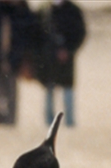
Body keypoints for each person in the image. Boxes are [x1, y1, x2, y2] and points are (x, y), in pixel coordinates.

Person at [37, 0, 86, 128]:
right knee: (48, 91)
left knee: (68, 91)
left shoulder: (73, 10)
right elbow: (37, 33)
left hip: (66, 60)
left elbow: (80, 33)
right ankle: (48, 124)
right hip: (48, 59)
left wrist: (68, 50)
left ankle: (70, 122)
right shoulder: (44, 10)